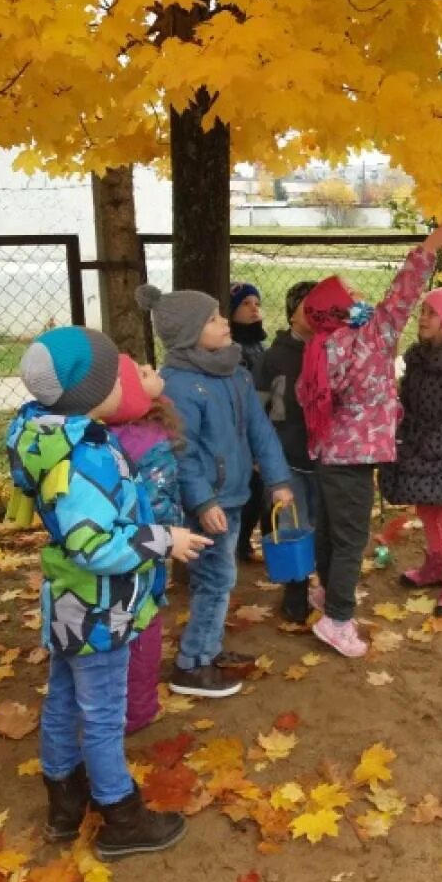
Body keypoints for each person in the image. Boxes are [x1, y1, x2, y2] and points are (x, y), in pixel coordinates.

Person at [6, 326, 210, 859]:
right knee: (102, 714)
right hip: (102, 604)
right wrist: (166, 539)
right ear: (95, 392)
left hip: (71, 602)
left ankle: (64, 804)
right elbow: (93, 545)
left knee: (65, 699)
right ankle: (120, 816)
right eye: (114, 370)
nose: (126, 375)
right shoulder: (86, 457)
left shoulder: (47, 433)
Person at [296, 219, 442, 658]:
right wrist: (427, 248)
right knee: (352, 539)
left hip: (329, 454)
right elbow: (402, 294)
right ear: (340, 310)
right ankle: (338, 619)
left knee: (330, 532)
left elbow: (311, 396)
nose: (360, 297)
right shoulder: (372, 334)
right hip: (352, 458)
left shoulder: (324, 345)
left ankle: (326, 594)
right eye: (351, 295)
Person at [135, 284, 293, 698]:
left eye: (222, 315)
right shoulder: (179, 386)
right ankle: (192, 664)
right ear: (188, 333)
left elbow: (259, 431)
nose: (224, 322)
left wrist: (277, 480)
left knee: (220, 577)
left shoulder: (233, 373)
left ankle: (208, 647)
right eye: (212, 318)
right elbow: (180, 453)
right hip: (207, 503)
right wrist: (203, 501)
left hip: (234, 496)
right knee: (215, 580)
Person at [380, 287, 442, 614]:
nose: (422, 318)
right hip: (419, 444)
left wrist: (430, 447)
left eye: (430, 313)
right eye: (422, 311)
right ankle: (436, 564)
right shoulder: (418, 357)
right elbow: (407, 401)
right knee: (425, 508)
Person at [103, 354, 184, 734]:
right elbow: (159, 500)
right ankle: (137, 712)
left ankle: (115, 703)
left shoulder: (105, 436)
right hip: (148, 549)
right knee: (144, 629)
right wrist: (171, 538)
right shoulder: (150, 441)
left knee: (118, 625)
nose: (154, 371)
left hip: (116, 547)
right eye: (143, 373)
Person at [254, 280, 319, 624]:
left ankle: (325, 588)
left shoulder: (334, 348)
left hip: (325, 459)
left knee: (322, 524)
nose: (316, 312)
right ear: (292, 314)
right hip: (286, 459)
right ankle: (296, 595)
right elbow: (257, 410)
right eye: (308, 305)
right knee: (292, 523)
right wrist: (258, 455)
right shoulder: (274, 358)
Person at [229, 281, 269, 564]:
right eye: (246, 303)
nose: (254, 308)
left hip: (263, 425)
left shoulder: (258, 344)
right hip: (244, 432)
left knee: (260, 491)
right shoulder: (234, 351)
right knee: (251, 492)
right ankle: (239, 544)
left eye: (257, 303)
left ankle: (245, 544)